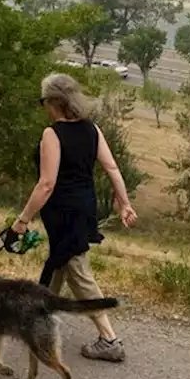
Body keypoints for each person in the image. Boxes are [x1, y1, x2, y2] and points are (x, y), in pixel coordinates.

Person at [10, 72, 138, 362]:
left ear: (54, 101)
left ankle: (109, 339)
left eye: (43, 101)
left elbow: (47, 184)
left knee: (78, 271)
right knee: (59, 264)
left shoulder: (52, 134)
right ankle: (37, 320)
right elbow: (113, 169)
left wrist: (23, 220)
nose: (43, 106)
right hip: (85, 208)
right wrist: (124, 203)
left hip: (63, 212)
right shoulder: (92, 129)